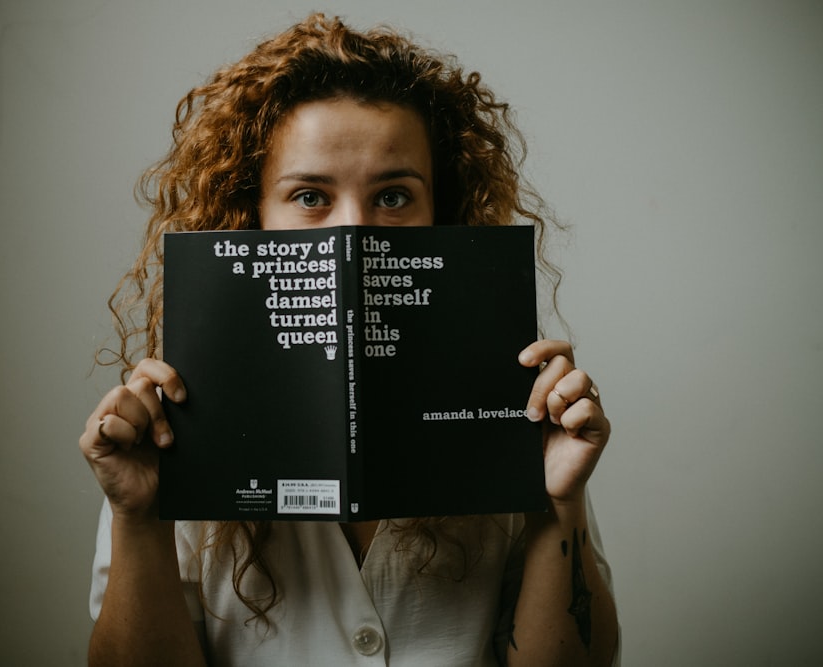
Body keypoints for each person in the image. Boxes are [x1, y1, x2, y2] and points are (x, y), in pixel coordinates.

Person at [80, 13, 619, 666]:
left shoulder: (511, 411)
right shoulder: (179, 423)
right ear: (252, 216)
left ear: (440, 215)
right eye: (310, 196)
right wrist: (138, 517)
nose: (354, 234)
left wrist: (558, 502)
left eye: (393, 196)